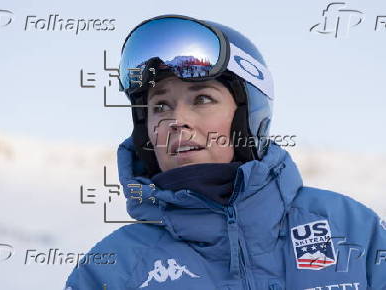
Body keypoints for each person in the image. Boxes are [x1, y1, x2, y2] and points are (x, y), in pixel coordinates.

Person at [65, 14, 386, 290]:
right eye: (160, 106)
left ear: (248, 116)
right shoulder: (112, 269)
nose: (177, 121)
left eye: (202, 99)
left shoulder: (349, 228)